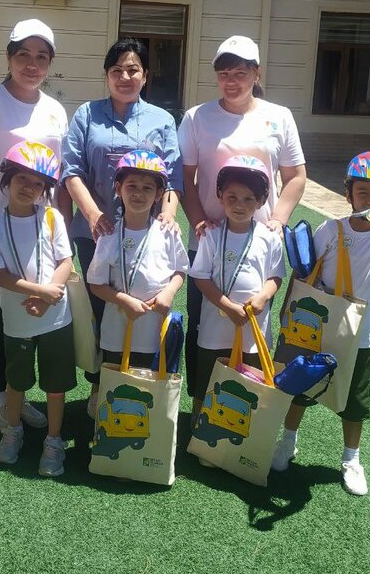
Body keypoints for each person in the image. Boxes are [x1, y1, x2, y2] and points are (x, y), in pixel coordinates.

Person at [178, 34, 305, 405]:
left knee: (252, 325)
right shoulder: (197, 117)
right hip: (208, 244)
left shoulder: (278, 116)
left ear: (256, 73)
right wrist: (198, 221)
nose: (230, 81)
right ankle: (201, 406)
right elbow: (185, 179)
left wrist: (278, 219)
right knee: (203, 326)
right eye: (223, 74)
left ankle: (244, 407)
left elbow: (296, 176)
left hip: (257, 245)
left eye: (239, 73)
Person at [0, 19, 68, 434]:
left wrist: (61, 230)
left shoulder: (55, 110)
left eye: (41, 57)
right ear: (8, 57)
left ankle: (19, 395)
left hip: (40, 234)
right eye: (23, 55)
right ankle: (0, 399)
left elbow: (59, 178)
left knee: (35, 318)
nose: (32, 64)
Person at [271, 151, 370, 496]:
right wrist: (288, 310)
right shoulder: (331, 228)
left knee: (354, 402)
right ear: (348, 195)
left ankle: (351, 459)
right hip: (315, 326)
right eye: (363, 192)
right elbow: (305, 271)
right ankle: (288, 441)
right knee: (300, 386)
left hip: (359, 333)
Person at [61, 39, 183, 411]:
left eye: (133, 70)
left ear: (145, 76)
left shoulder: (162, 120)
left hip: (146, 233)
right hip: (96, 233)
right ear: (107, 75)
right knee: (101, 308)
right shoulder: (87, 114)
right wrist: (93, 215)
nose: (125, 77)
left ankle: (140, 384)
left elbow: (173, 176)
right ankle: (100, 385)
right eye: (117, 70)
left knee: (145, 303)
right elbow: (71, 171)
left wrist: (168, 214)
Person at [0, 142, 76, 476]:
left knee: (55, 384)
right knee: (16, 380)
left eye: (38, 183)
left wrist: (49, 297)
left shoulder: (52, 217)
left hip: (56, 318)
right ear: (7, 179)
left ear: (45, 190)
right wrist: (40, 292)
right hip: (17, 319)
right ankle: (13, 431)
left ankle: (53, 439)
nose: (29, 187)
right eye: (22, 178)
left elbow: (65, 261)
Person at [189, 156, 285, 408]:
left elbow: (275, 275)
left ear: (261, 201)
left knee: (248, 387)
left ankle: (244, 429)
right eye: (232, 197)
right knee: (207, 385)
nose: (239, 205)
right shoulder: (211, 235)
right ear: (220, 196)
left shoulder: (270, 238)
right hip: (214, 330)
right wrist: (228, 307)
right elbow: (200, 276)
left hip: (254, 328)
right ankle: (199, 424)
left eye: (248, 199)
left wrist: (263, 296)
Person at [87, 151, 188, 370]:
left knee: (151, 385)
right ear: (118, 188)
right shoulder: (109, 236)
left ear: (159, 194)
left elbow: (180, 270)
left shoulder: (167, 233)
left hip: (155, 331)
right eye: (131, 186)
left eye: (147, 188)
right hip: (117, 332)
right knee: (117, 384)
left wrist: (169, 293)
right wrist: (125, 301)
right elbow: (96, 284)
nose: (138, 193)